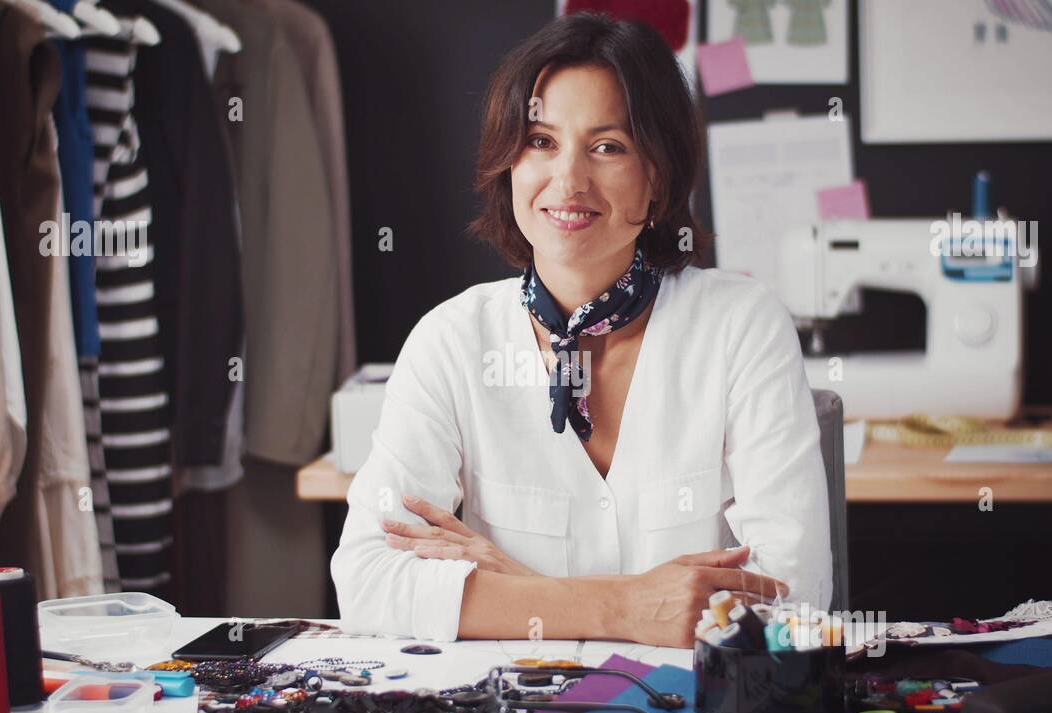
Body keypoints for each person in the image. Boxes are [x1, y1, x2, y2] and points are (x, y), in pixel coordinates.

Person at [331, 12, 831, 648]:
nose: (568, 181)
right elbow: (367, 581)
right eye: (541, 141)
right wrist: (622, 607)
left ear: (659, 178)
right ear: (508, 162)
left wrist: (512, 584)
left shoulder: (740, 327)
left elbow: (795, 595)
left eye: (608, 147)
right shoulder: (451, 341)